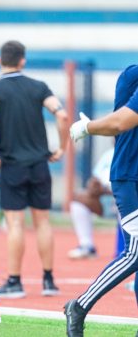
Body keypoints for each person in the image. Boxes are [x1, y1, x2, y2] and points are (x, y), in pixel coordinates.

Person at [0, 40, 69, 299]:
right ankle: (48, 280)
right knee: (43, 222)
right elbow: (62, 115)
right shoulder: (39, 87)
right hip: (40, 164)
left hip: (12, 165)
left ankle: (15, 281)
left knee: (16, 223)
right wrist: (61, 148)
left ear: (0, 61)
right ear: (23, 60)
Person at [66, 64, 138, 337]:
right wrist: (88, 127)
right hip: (132, 175)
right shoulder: (134, 74)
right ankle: (79, 306)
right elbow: (120, 122)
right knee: (135, 251)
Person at [68, 148, 114, 259]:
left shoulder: (133, 151)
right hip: (104, 197)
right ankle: (87, 246)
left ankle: (131, 250)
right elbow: (95, 177)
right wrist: (94, 187)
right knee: (79, 200)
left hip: (129, 197)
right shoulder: (109, 153)